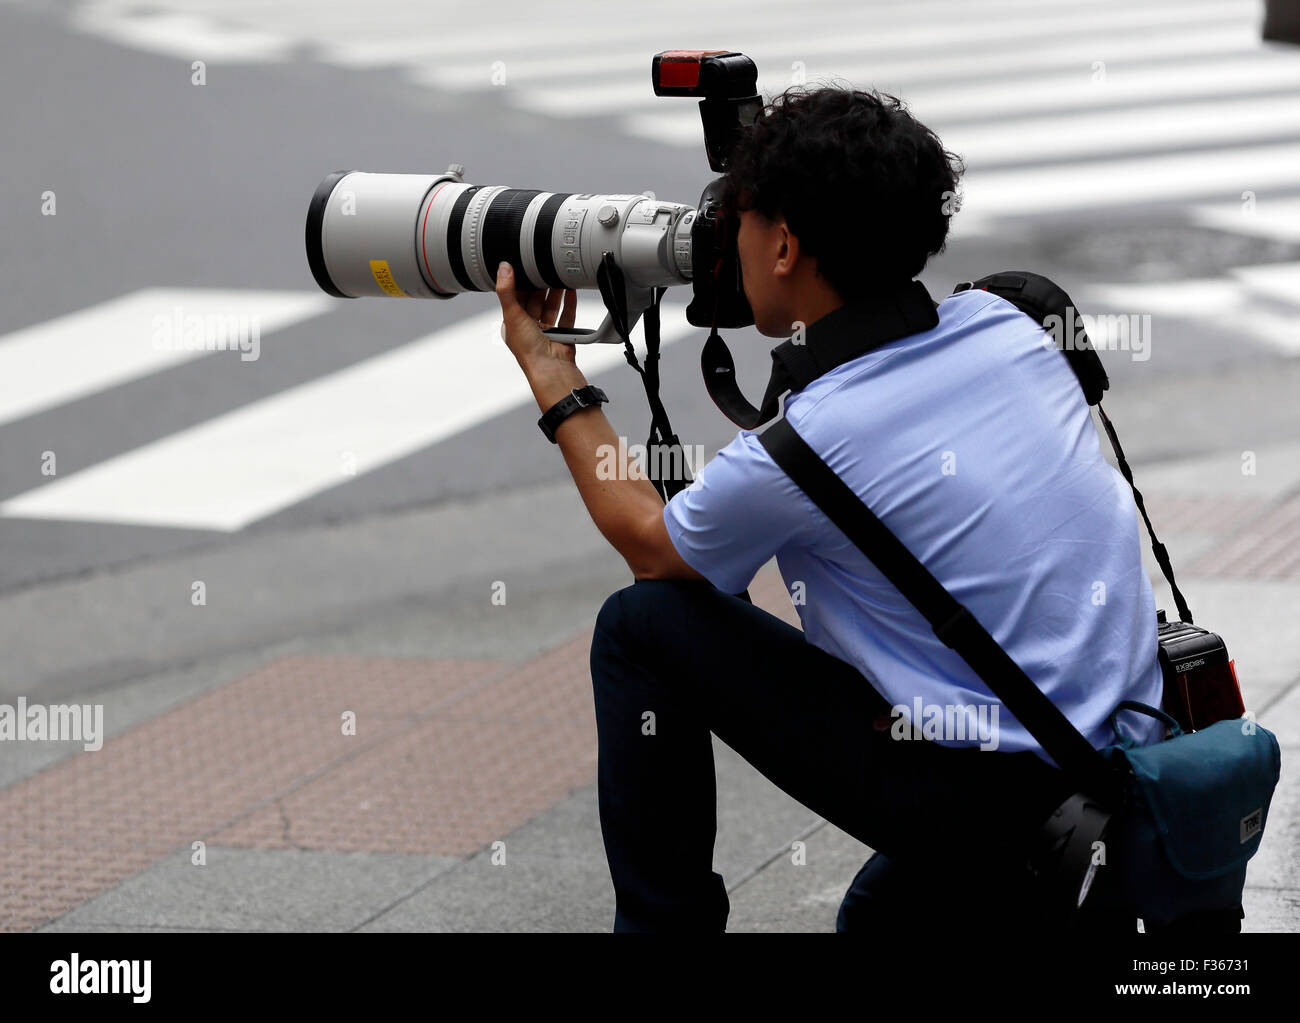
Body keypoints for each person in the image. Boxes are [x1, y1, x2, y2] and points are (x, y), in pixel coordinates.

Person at [492, 85, 1163, 934]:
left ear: (784, 246)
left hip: (1006, 807)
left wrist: (554, 375)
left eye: (737, 219)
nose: (721, 242)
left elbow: (648, 544)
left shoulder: (813, 439)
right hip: (1121, 767)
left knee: (642, 623)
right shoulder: (1015, 319)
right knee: (877, 917)